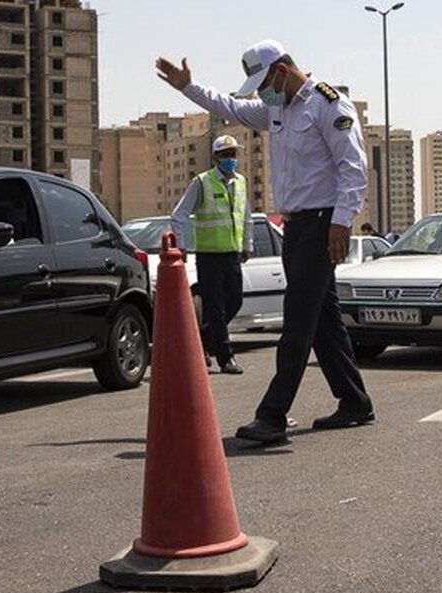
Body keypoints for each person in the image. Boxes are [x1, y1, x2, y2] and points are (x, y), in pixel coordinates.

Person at [157, 40, 375, 444]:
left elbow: (353, 169)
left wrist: (342, 224)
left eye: (264, 82)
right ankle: (355, 402)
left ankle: (273, 415)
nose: (261, 93)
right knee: (323, 319)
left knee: (298, 320)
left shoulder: (329, 105)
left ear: (283, 70)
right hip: (295, 227)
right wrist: (189, 87)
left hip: (323, 223)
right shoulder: (277, 108)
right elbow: (231, 108)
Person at [170, 135, 254, 375]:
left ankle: (203, 339)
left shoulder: (241, 182)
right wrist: (182, 245)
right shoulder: (202, 182)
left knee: (235, 301)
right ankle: (226, 358)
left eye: (234, 154)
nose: (231, 159)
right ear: (216, 157)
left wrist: (246, 244)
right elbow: (179, 215)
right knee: (215, 307)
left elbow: (245, 216)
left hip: (232, 254)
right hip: (208, 255)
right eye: (226, 154)